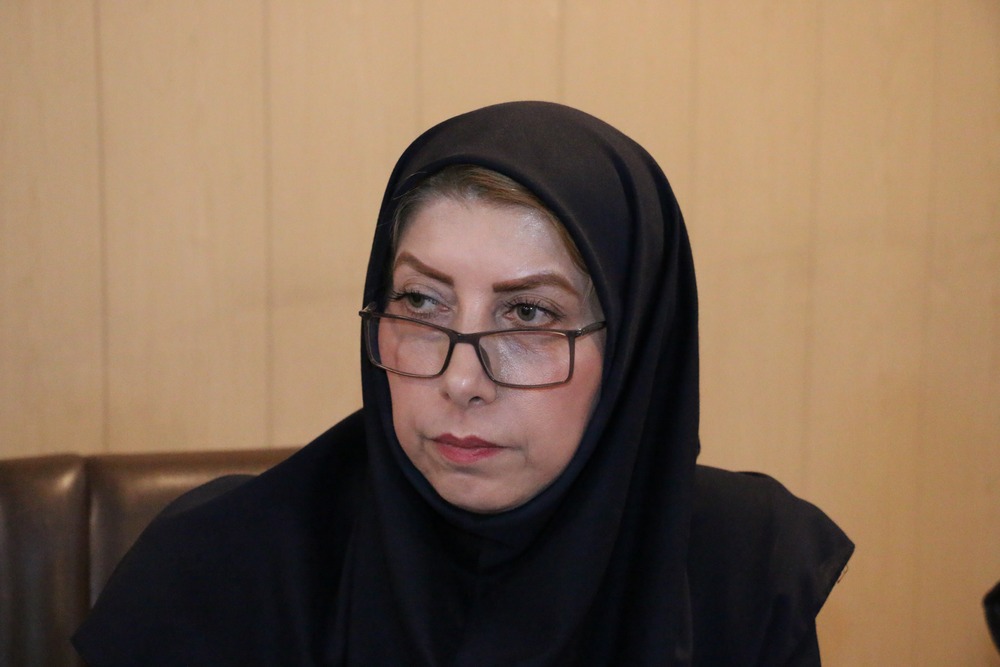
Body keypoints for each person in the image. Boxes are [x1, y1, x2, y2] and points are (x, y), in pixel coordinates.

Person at [73, 101, 853, 666]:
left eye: (528, 313)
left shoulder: (744, 571)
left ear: (634, 351)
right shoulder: (217, 575)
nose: (462, 378)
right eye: (421, 302)